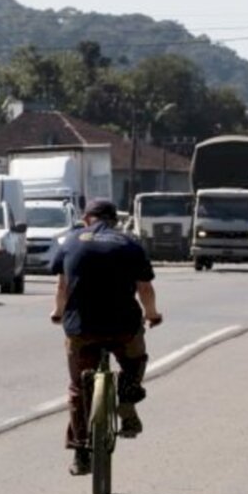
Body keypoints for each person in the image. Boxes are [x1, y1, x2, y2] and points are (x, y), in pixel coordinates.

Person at [48, 198, 162, 476]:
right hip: (123, 327)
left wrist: (58, 312)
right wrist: (153, 314)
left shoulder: (70, 242)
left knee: (78, 388)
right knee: (135, 359)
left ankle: (80, 453)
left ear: (87, 218)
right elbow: (144, 288)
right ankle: (127, 392)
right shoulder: (129, 244)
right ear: (114, 220)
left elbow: (62, 285)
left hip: (81, 329)